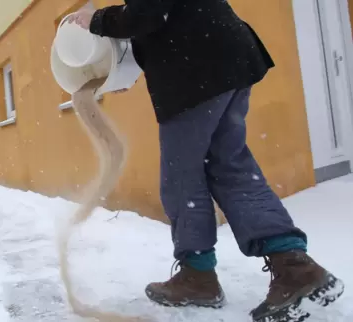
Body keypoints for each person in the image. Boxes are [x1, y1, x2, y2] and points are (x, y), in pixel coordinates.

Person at [68, 1, 345, 321]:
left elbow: (148, 13)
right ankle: (292, 263)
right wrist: (127, 64)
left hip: (196, 71)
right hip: (226, 57)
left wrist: (98, 19)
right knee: (230, 166)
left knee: (181, 177)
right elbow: (163, 15)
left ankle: (198, 276)